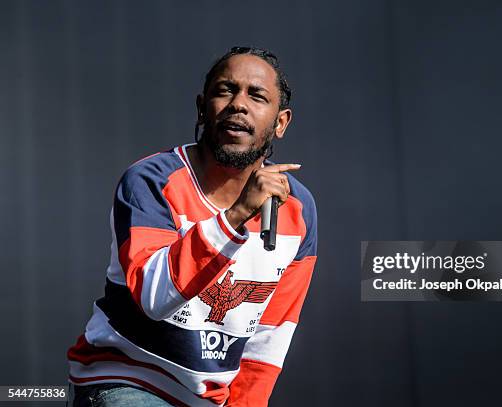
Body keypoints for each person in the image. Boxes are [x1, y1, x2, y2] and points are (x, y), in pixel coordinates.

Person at [66, 46, 317, 406]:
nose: (238, 104)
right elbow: (154, 298)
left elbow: (269, 339)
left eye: (257, 95)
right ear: (203, 108)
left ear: (280, 123)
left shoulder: (298, 210)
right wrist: (234, 217)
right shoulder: (152, 180)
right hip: (126, 380)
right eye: (225, 90)